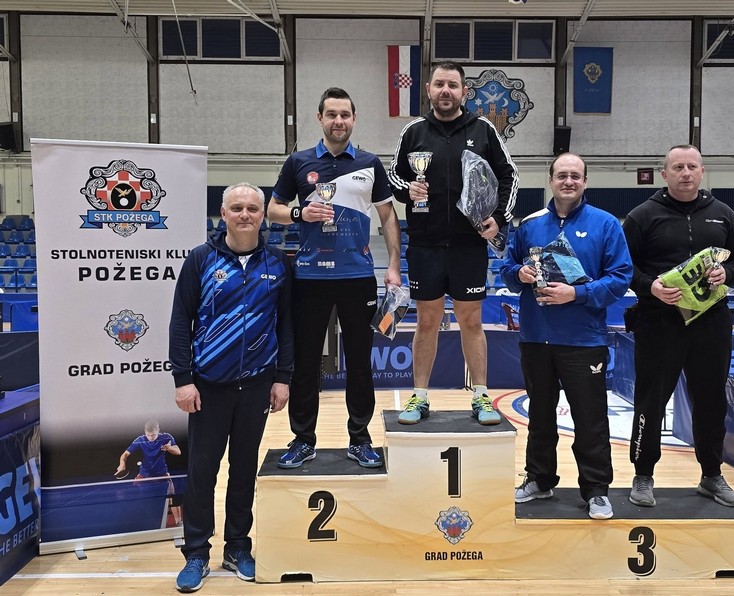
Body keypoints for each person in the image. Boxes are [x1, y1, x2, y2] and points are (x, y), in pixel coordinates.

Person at [267, 87, 401, 470]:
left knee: (359, 363)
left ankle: (360, 439)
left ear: (354, 119)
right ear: (320, 118)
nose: (338, 121)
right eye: (331, 114)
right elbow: (273, 209)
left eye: (345, 114)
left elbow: (388, 216)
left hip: (357, 277)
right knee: (306, 362)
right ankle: (302, 439)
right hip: (309, 278)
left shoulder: (370, 163)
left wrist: (393, 264)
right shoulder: (299, 162)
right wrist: (300, 214)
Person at [169, 182, 293, 592]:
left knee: (243, 471)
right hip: (209, 386)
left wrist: (283, 377)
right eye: (236, 208)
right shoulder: (200, 259)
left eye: (252, 208)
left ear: (263, 215)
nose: (245, 215)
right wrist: (184, 380)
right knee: (201, 473)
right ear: (223, 214)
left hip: (257, 386)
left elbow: (286, 325)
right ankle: (196, 553)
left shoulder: (278, 263)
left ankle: (238, 547)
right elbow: (180, 322)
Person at [500, 153, 632, 520]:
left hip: (584, 341)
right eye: (562, 175)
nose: (568, 181)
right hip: (535, 339)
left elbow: (620, 277)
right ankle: (539, 480)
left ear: (585, 182)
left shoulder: (606, 224)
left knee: (590, 419)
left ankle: (596, 490)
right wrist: (519, 274)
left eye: (575, 176)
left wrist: (576, 293)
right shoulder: (529, 225)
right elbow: (507, 269)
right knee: (540, 416)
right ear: (550, 180)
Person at [388, 61, 518, 425]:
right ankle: (419, 396)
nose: (446, 91)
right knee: (427, 321)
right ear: (429, 90)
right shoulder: (413, 131)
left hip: (468, 246)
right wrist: (408, 189)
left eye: (453, 85)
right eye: (440, 84)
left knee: (471, 321)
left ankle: (481, 395)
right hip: (425, 245)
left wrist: (500, 218)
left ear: (464, 91)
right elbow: (393, 176)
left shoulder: (483, 129)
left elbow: (510, 176)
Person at [623, 145, 734, 508]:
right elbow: (623, 267)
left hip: (711, 323)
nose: (685, 173)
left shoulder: (724, 215)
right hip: (658, 322)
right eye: (678, 167)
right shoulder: (642, 216)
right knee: (650, 400)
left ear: (702, 171)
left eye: (692, 166)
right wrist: (650, 286)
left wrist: (727, 273)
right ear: (664, 174)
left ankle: (711, 475)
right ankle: (643, 475)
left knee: (711, 401)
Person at [115, 419, 183, 526]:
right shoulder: (140, 440)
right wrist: (122, 464)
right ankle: (131, 522)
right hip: (145, 474)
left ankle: (179, 522)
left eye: (153, 435)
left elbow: (178, 452)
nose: (151, 437)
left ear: (158, 431)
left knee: (172, 496)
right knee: (133, 495)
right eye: (148, 435)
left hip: (162, 473)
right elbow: (125, 455)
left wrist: (169, 448)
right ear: (145, 432)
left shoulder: (166, 437)